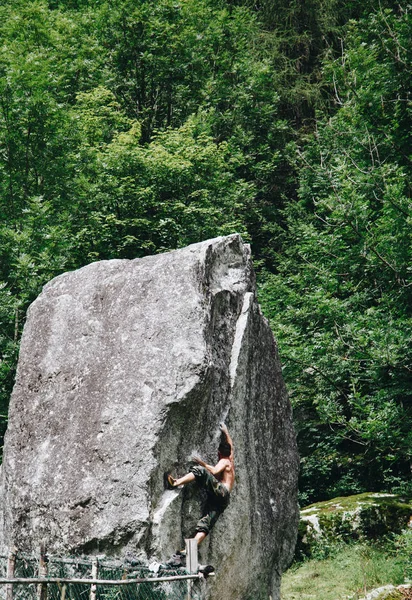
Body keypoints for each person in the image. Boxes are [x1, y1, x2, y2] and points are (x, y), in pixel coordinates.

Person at [166, 423, 235, 557]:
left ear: (219, 453)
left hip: (221, 491)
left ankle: (176, 482)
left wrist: (201, 463)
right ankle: (188, 550)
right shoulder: (230, 459)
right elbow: (231, 446)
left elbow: (214, 470)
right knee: (207, 523)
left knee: (200, 471)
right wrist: (226, 432)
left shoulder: (224, 460)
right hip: (224, 499)